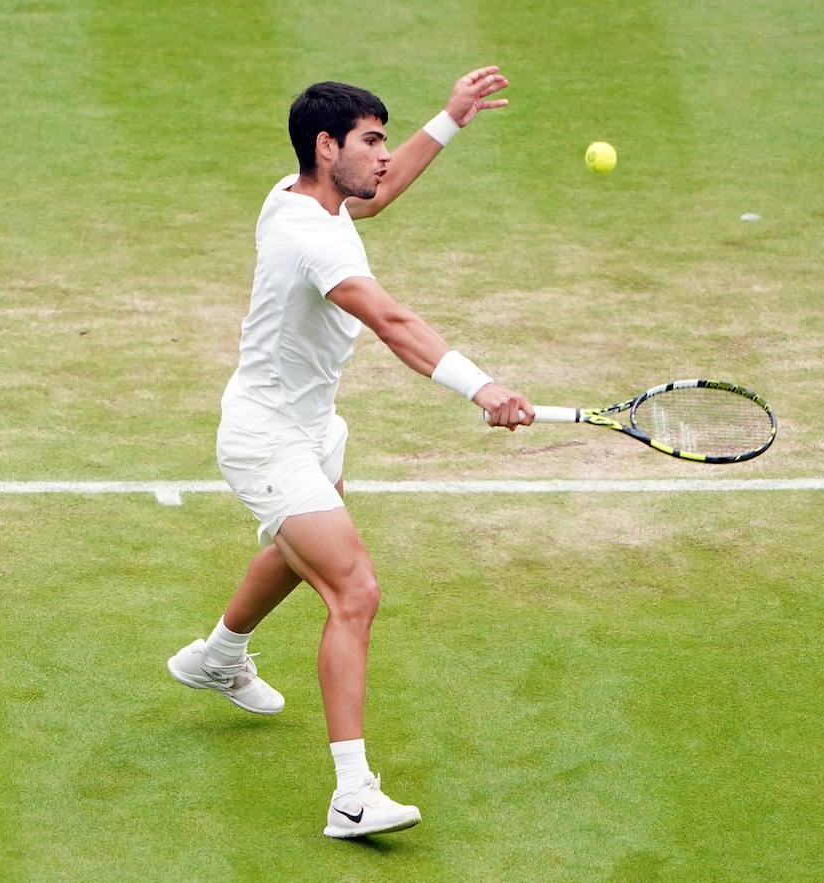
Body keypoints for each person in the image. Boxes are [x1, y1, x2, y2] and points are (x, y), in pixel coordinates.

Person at [168, 68, 533, 839]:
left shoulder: (302, 195)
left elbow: (384, 187)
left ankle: (218, 655)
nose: (383, 156)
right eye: (371, 141)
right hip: (267, 438)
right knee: (353, 590)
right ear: (327, 144)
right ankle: (352, 793)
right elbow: (393, 321)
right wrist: (483, 387)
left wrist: (452, 118)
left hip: (311, 428)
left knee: (300, 552)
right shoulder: (310, 238)